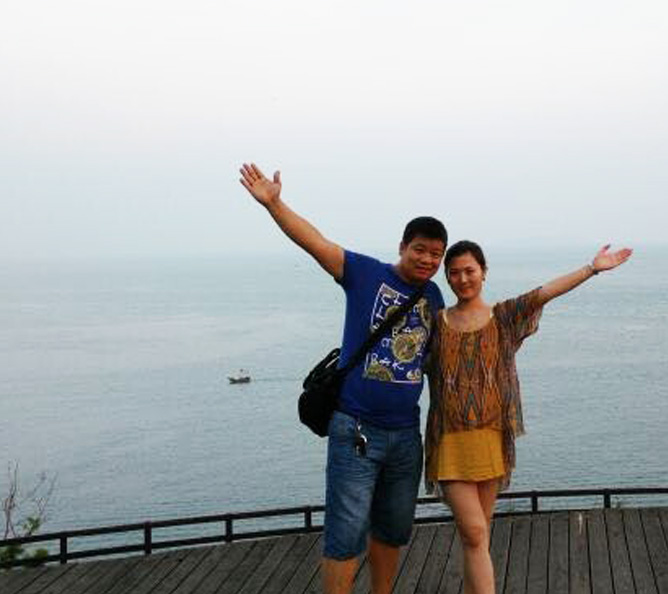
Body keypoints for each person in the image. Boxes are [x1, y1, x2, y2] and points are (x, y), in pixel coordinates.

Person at [239, 163, 447, 594]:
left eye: (436, 254)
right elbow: (315, 242)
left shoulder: (433, 296)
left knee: (392, 529)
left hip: (406, 435)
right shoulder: (365, 274)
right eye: (420, 250)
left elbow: (436, 357)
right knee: (346, 533)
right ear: (403, 246)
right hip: (356, 430)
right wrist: (275, 205)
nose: (428, 260)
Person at [424, 240, 632, 594]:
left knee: (477, 538)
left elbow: (544, 293)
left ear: (484, 272)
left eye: (469, 270)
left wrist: (591, 269)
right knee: (474, 532)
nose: (462, 279)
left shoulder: (503, 317)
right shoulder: (435, 324)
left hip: (492, 438)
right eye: (454, 272)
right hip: (449, 442)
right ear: (447, 277)